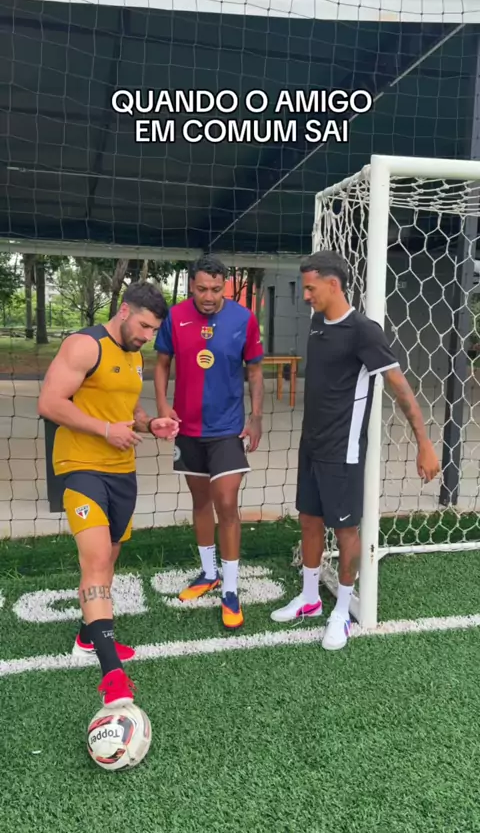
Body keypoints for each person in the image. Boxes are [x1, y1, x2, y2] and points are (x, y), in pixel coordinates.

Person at [271, 251, 440, 650]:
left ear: (333, 284)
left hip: (342, 450)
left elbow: (400, 388)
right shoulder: (317, 322)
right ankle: (310, 598)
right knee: (308, 520)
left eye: (310, 288)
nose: (306, 296)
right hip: (311, 445)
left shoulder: (364, 331)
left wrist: (424, 443)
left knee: (346, 529)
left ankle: (343, 611)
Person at [37, 282, 179, 707]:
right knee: (97, 561)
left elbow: (126, 411)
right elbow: (49, 402)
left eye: (154, 331)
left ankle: (88, 636)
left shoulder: (134, 355)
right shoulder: (84, 345)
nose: (147, 337)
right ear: (124, 311)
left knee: (110, 558)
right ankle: (113, 676)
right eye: (144, 326)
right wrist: (103, 430)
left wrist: (149, 424)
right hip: (80, 467)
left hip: (122, 472)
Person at [153, 254, 264, 630]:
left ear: (224, 287)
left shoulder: (243, 319)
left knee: (226, 502)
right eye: (202, 289)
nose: (209, 296)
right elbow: (162, 363)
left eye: (217, 289)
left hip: (227, 429)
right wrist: (163, 405)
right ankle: (208, 573)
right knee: (200, 501)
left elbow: (255, 370)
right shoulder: (175, 317)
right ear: (191, 286)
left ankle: (230, 589)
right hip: (187, 428)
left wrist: (256, 416)